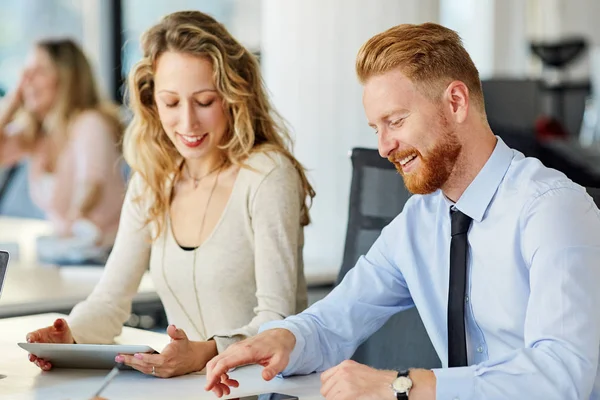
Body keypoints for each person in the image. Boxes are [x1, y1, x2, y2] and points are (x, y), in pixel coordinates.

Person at [204, 22, 600, 400]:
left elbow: (561, 376)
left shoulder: (552, 210)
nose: (383, 147)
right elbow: (333, 321)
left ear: (456, 102)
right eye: (376, 127)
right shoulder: (418, 221)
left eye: (395, 121)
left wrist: (403, 386)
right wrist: (283, 339)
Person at [25, 11, 315, 378]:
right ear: (151, 101)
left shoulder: (268, 175)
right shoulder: (153, 180)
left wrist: (206, 353)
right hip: (189, 385)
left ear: (232, 96)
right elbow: (110, 301)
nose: (188, 123)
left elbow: (277, 322)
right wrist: (69, 336)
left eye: (205, 101)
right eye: (171, 103)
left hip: (268, 386)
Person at [0, 39, 125, 259]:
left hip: (104, 255)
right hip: (67, 253)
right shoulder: (38, 134)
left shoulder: (89, 122)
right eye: (25, 72)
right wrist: (12, 100)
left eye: (38, 71)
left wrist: (73, 223)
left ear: (67, 79)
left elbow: (91, 186)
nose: (26, 79)